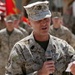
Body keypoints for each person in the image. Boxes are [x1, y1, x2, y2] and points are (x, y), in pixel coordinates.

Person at [5, 1, 75, 75]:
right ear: (29, 22)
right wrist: (39, 73)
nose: (44, 23)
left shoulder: (63, 47)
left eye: (46, 19)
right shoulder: (20, 49)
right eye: (38, 20)